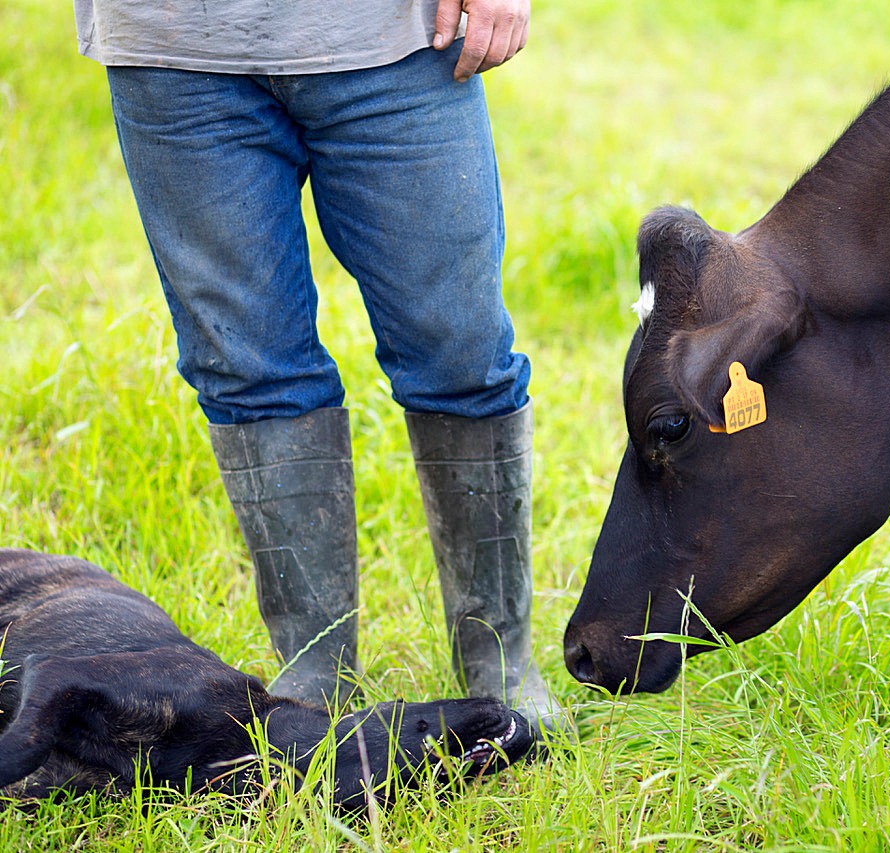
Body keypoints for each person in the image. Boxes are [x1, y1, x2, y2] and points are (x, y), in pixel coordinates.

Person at [74, 0, 564, 735]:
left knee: (462, 351)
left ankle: (499, 656)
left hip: (393, 36)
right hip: (170, 44)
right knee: (248, 365)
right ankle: (315, 665)